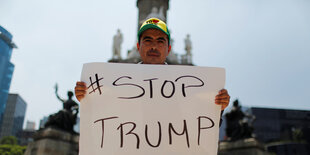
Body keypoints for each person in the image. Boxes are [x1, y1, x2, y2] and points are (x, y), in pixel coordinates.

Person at [75, 18, 230, 112]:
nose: (154, 46)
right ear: (138, 46)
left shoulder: (188, 85)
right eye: (148, 40)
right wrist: (87, 98)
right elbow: (103, 116)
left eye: (160, 41)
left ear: (168, 48)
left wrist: (217, 108)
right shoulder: (116, 81)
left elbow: (199, 124)